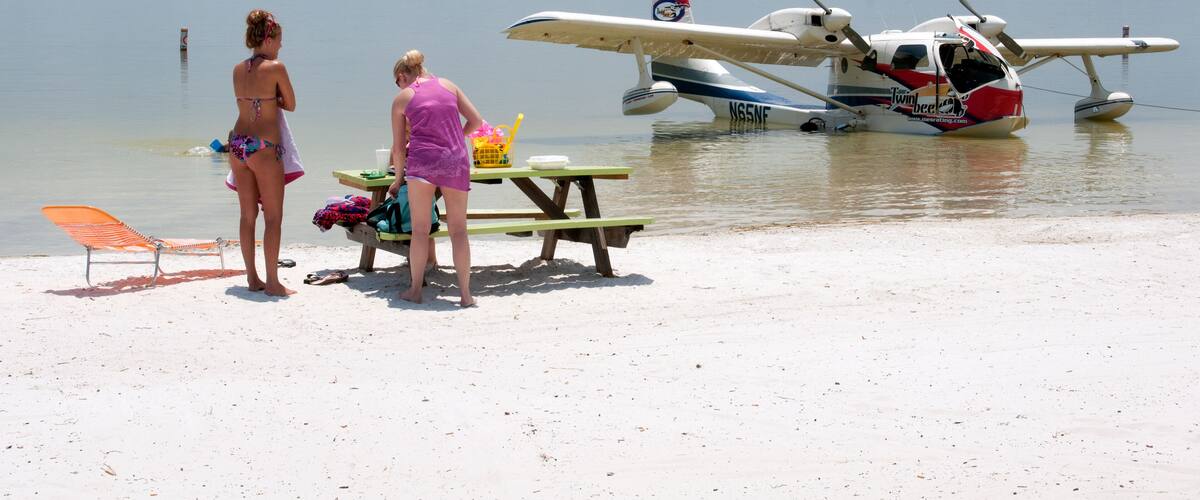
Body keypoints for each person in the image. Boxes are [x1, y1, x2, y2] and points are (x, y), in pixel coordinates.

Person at [387, 50, 482, 306]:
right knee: (459, 231)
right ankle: (465, 295)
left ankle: (415, 291)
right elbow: (475, 121)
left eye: (398, 82)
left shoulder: (402, 99)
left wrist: (397, 180)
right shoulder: (449, 85)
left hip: (423, 163)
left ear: (401, 76)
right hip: (455, 161)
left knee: (419, 231)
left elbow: (398, 149)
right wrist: (455, 140)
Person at [228, 9, 296, 296]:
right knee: (273, 217)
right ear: (268, 40)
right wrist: (274, 98)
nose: (280, 46)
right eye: (279, 40)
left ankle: (252, 278)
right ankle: (273, 282)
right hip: (264, 147)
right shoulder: (276, 67)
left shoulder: (237, 69)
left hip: (238, 144)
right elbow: (290, 104)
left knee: (247, 216)